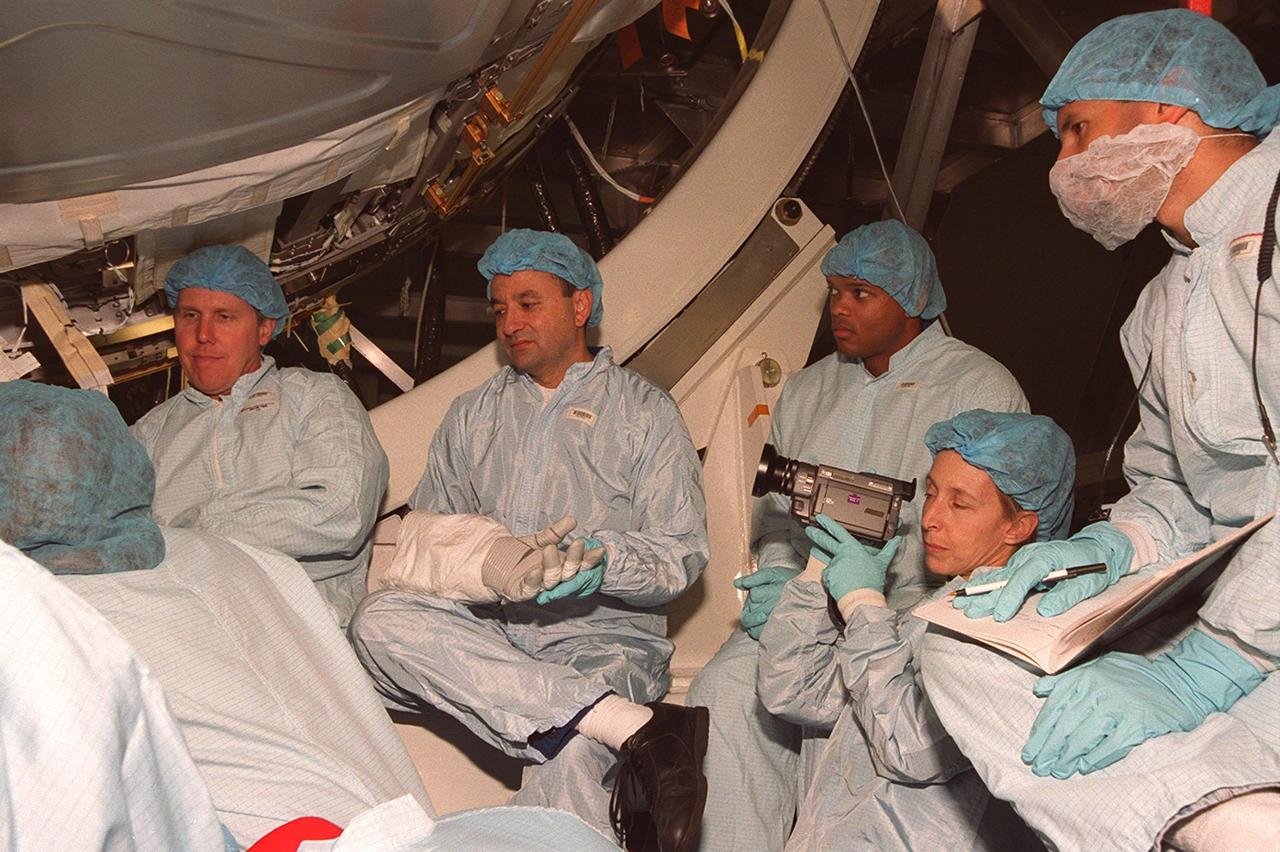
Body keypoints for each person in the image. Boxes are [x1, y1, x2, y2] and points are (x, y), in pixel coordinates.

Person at [920, 10, 1280, 848]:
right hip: (1251, 611)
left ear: (1170, 111)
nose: (1063, 164)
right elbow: (1177, 492)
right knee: (959, 646)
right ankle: (1212, 815)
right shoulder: (1161, 303)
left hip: (1251, 630)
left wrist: (1210, 664)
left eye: (1078, 128)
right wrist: (1106, 551)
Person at [348, 229, 711, 851]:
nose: (509, 322)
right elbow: (431, 544)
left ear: (580, 306)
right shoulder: (472, 415)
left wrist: (603, 558)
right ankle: (634, 729)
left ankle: (595, 722)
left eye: (527, 303)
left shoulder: (644, 413)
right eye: (498, 308)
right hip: (490, 636)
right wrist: (484, 566)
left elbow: (682, 553)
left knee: (569, 766)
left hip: (600, 643)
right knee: (378, 619)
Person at [685, 219, 1028, 851]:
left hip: (913, 613)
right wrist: (787, 578)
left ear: (913, 298)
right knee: (723, 692)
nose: (839, 308)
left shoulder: (980, 387)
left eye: (861, 293)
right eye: (835, 291)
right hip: (811, 608)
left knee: (858, 734)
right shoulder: (810, 389)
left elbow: (998, 531)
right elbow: (781, 519)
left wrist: (875, 601)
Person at [761, 410, 1072, 850]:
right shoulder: (932, 609)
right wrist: (820, 571)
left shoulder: (1016, 631)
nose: (930, 519)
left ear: (1018, 527)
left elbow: (908, 747)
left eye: (959, 504)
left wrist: (864, 605)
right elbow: (796, 692)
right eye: (931, 493)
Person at [129, 244, 389, 627]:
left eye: (224, 317)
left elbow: (340, 512)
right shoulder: (149, 433)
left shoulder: (315, 397)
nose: (203, 335)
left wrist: (194, 533)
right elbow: (121, 540)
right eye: (189, 316)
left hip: (301, 626)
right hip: (181, 624)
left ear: (264, 329)